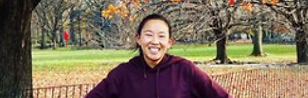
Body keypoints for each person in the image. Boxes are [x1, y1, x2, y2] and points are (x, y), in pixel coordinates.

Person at [85, 13, 232, 98]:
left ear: (169, 42)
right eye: (149, 35)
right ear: (138, 39)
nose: (155, 42)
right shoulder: (122, 74)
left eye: (161, 36)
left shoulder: (184, 70)